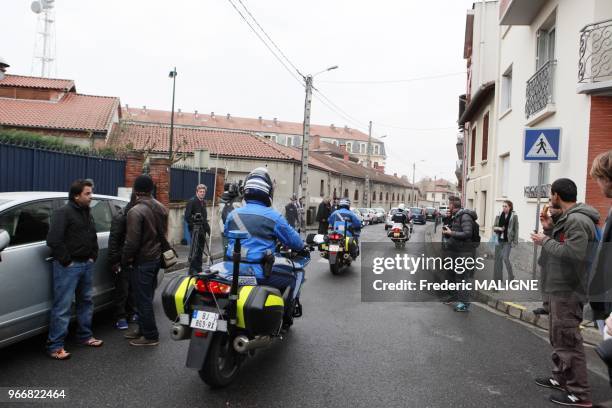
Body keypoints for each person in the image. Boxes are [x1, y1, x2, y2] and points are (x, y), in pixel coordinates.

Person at [531, 178, 600, 407]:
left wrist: (544, 241)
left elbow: (574, 254)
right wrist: (549, 228)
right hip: (560, 286)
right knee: (558, 337)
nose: (551, 198)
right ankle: (560, 378)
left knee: (569, 340)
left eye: (551, 194)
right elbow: (563, 241)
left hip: (569, 289)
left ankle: (579, 394)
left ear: (556, 196)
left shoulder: (578, 220)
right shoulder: (569, 219)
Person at [223, 168, 305, 325]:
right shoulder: (273, 216)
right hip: (259, 272)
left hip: (230, 270)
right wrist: (302, 246)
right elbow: (294, 242)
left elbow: (227, 233)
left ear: (246, 190)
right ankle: (284, 319)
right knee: (293, 277)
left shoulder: (233, 214)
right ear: (268, 192)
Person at [46, 179, 103, 360]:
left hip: (86, 264)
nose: (91, 196)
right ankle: (55, 346)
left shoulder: (86, 211)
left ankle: (85, 336)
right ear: (76, 196)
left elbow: (92, 235)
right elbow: (54, 240)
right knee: (63, 306)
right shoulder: (63, 213)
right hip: (69, 266)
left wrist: (93, 255)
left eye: (90, 193)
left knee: (86, 301)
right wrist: (66, 261)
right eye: (87, 193)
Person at [122, 175, 168, 347]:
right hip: (156, 258)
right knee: (147, 296)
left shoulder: (135, 211)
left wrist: (124, 260)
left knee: (142, 300)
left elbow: (131, 242)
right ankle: (142, 328)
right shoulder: (161, 208)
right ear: (151, 189)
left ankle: (150, 335)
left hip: (142, 260)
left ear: (135, 190)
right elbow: (163, 234)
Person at [441, 197, 478, 313]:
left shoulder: (465, 216)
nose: (448, 207)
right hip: (457, 251)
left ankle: (465, 303)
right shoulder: (456, 216)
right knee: (457, 277)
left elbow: (467, 233)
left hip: (465, 252)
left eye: (449, 205)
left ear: (452, 206)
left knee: (463, 278)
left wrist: (451, 232)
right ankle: (457, 297)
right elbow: (455, 234)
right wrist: (448, 232)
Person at [108, 193, 138, 330]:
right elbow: (113, 241)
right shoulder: (120, 217)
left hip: (135, 258)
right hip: (122, 259)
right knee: (122, 290)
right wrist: (115, 261)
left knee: (133, 288)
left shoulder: (138, 215)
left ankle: (132, 313)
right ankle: (120, 316)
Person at [533, 200, 564, 316]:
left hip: (555, 258)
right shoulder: (550, 219)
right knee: (544, 282)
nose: (550, 209)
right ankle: (546, 306)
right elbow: (548, 237)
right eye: (549, 206)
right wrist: (544, 230)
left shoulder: (563, 221)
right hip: (546, 255)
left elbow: (557, 240)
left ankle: (554, 308)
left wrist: (546, 234)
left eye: (552, 207)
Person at [184, 184, 211, 273]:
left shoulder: (203, 202)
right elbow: (187, 217)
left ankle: (198, 268)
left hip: (202, 230)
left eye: (203, 192)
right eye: (200, 192)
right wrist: (194, 226)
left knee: (200, 250)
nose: (202, 193)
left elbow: (204, 217)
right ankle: (192, 269)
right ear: (197, 192)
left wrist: (208, 229)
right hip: (195, 230)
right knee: (195, 250)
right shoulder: (192, 201)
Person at [492, 200, 519, 282]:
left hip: (508, 240)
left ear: (510, 207)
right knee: (498, 259)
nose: (504, 208)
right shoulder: (499, 214)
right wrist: (499, 228)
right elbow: (494, 227)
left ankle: (511, 276)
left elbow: (516, 229)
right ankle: (499, 278)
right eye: (503, 206)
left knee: (505, 258)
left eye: (505, 206)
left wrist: (515, 241)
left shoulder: (514, 216)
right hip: (499, 239)